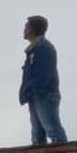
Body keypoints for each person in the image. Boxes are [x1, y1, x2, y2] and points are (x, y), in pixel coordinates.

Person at [19, 15, 66, 145]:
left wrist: (34, 89)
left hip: (43, 94)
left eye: (26, 26)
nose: (24, 29)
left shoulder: (43, 47)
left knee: (53, 130)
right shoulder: (35, 49)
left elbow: (46, 74)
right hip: (36, 94)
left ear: (32, 29)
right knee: (38, 136)